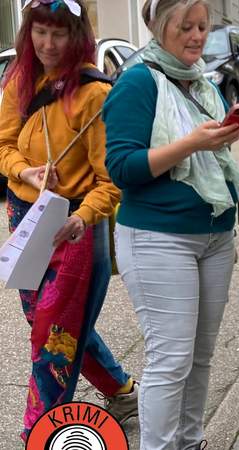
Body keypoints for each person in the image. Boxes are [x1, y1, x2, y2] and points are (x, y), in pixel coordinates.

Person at [102, 0, 239, 447]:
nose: (197, 36)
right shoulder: (137, 82)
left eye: (203, 27)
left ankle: (190, 441)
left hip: (214, 235)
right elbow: (122, 168)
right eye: (186, 27)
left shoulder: (201, 81)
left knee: (199, 358)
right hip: (158, 238)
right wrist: (190, 144)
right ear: (160, 27)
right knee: (170, 360)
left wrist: (221, 137)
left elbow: (209, 159)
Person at [0, 0, 138, 441]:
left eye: (58, 34)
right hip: (25, 216)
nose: (48, 44)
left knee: (52, 336)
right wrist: (27, 171)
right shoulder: (19, 80)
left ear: (76, 36)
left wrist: (83, 217)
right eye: (40, 32)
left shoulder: (94, 93)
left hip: (75, 225)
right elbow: (3, 146)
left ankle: (37, 433)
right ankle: (122, 389)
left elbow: (110, 179)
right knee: (49, 324)